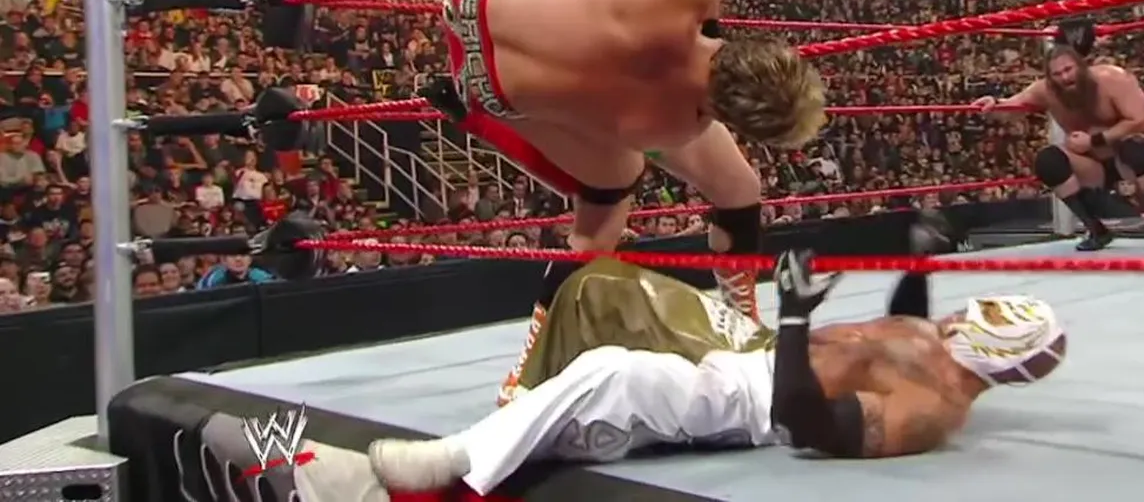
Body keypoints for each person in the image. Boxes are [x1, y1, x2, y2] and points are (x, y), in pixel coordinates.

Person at [292, 237, 1066, 499]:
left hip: (756, 396)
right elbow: (907, 325)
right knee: (602, 282)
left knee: (615, 374)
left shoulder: (930, 413)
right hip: (760, 348)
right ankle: (525, 427)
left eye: (984, 321)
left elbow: (807, 424)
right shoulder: (937, 341)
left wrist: (796, 315)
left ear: (1001, 359)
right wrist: (922, 256)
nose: (963, 317)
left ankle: (443, 467)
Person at [489, 0, 775, 406]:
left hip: (646, 78)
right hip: (600, 90)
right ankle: (530, 368)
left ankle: (739, 318)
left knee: (737, 188)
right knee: (600, 225)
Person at [972, 44, 1144, 250]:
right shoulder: (1046, 90)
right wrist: (994, 103)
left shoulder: (1112, 79)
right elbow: (1013, 105)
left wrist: (1094, 140)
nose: (1065, 78)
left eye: (1068, 69)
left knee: (1135, 147)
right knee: (1048, 160)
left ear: (1081, 65)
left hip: (1126, 157)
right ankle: (1096, 230)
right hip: (1092, 166)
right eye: (1057, 74)